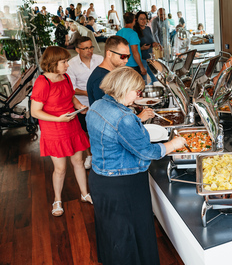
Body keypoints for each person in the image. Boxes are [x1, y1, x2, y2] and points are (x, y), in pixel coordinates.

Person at [86, 66, 186, 265]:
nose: (138, 96)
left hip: (100, 178)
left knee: (112, 230)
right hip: (123, 185)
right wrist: (173, 144)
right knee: (131, 232)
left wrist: (137, 120)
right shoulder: (124, 118)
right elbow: (146, 152)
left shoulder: (97, 105)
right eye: (137, 91)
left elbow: (113, 137)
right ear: (124, 88)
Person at [30, 46, 92, 217]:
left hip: (71, 124)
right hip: (54, 128)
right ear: (52, 63)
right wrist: (58, 119)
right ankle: (57, 199)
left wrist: (79, 106)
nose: (67, 65)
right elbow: (35, 112)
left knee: (79, 161)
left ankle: (84, 193)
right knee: (61, 168)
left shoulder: (64, 77)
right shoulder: (43, 82)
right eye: (64, 62)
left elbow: (71, 95)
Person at [86, 36, 155, 122]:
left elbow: (116, 101)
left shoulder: (113, 74)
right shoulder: (101, 78)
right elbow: (108, 115)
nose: (126, 60)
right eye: (122, 56)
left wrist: (132, 100)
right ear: (109, 54)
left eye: (128, 56)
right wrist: (139, 118)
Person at [67, 37, 104, 169]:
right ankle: (90, 155)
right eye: (86, 48)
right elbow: (72, 89)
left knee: (101, 129)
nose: (90, 51)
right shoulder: (71, 65)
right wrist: (90, 92)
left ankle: (102, 154)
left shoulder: (100, 60)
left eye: (91, 47)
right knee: (87, 131)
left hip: (102, 102)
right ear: (77, 50)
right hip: (83, 104)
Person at [133, 11, 159, 84]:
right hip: (141, 60)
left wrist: (154, 43)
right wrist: (142, 48)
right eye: (141, 19)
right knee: (143, 82)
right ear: (137, 20)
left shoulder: (148, 29)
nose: (143, 21)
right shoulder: (134, 31)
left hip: (150, 59)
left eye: (145, 18)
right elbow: (132, 48)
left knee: (155, 79)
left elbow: (151, 40)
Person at [118, 12, 146, 77]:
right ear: (134, 20)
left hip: (122, 64)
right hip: (133, 66)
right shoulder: (133, 34)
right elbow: (135, 52)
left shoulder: (119, 32)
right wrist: (141, 67)